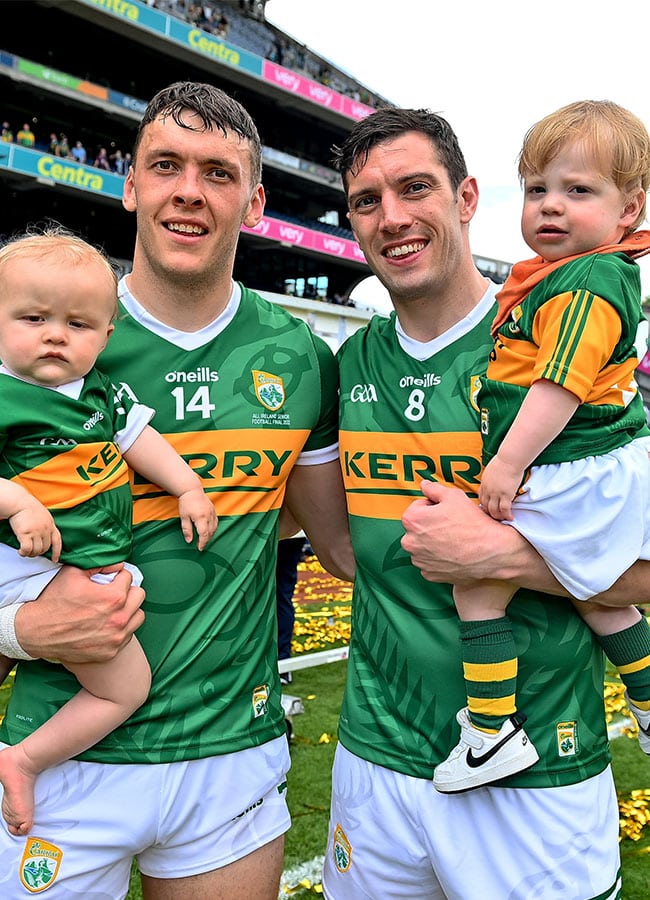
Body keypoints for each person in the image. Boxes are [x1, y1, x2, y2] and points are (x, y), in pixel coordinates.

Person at [0, 81, 353, 899]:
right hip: (63, 757)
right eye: (166, 165)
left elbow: (339, 545)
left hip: (230, 758)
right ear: (131, 185)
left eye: (217, 172)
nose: (189, 190)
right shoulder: (44, 340)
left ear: (255, 202)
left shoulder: (302, 358)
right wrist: (18, 628)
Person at [323, 105, 650, 900]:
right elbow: (339, 546)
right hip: (374, 759)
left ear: (467, 198)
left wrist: (503, 558)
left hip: (541, 772)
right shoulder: (349, 360)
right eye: (366, 201)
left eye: (415, 188)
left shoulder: (551, 330)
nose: (392, 217)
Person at [433, 100, 650, 793]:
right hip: (593, 464)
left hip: (571, 465)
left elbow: (560, 384)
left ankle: (491, 730)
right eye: (537, 189)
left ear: (629, 209)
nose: (550, 205)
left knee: (476, 583)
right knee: (599, 597)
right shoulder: (575, 275)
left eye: (578, 190)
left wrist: (507, 462)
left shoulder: (585, 282)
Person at [0, 227, 218, 838]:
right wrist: (17, 500)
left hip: (82, 569)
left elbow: (139, 437)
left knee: (123, 681)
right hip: (25, 571)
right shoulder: (5, 393)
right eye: (34, 318)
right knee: (126, 689)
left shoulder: (98, 390)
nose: (55, 335)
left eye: (78, 324)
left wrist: (188, 488)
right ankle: (23, 760)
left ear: (106, 335)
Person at [276, 533, 307, 686]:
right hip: (293, 532)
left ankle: (282, 664)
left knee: (278, 597)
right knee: (282, 597)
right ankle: (283, 664)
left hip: (270, 532)